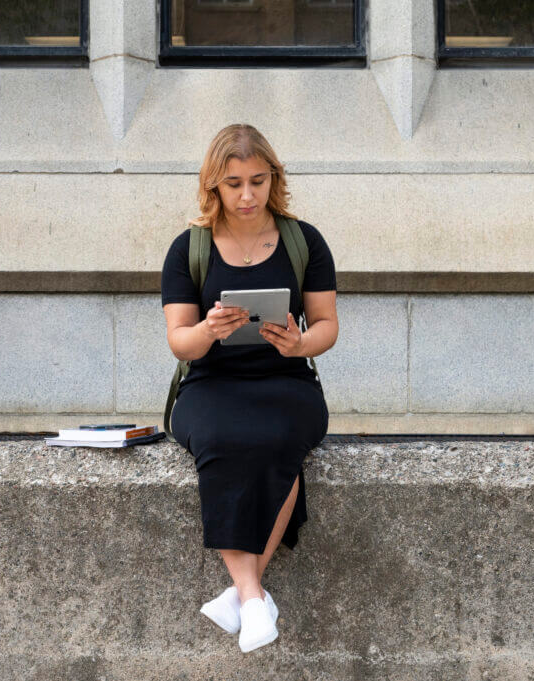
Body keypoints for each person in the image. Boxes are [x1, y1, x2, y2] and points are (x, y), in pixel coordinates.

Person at [160, 124, 339, 653]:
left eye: (257, 182)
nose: (246, 195)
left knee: (279, 440)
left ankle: (243, 596)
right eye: (233, 183)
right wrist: (208, 330)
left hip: (286, 380)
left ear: (273, 179)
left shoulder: (303, 240)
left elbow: (327, 324)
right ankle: (254, 597)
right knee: (221, 441)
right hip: (211, 383)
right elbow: (179, 343)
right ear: (213, 185)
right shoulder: (188, 247)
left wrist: (298, 345)